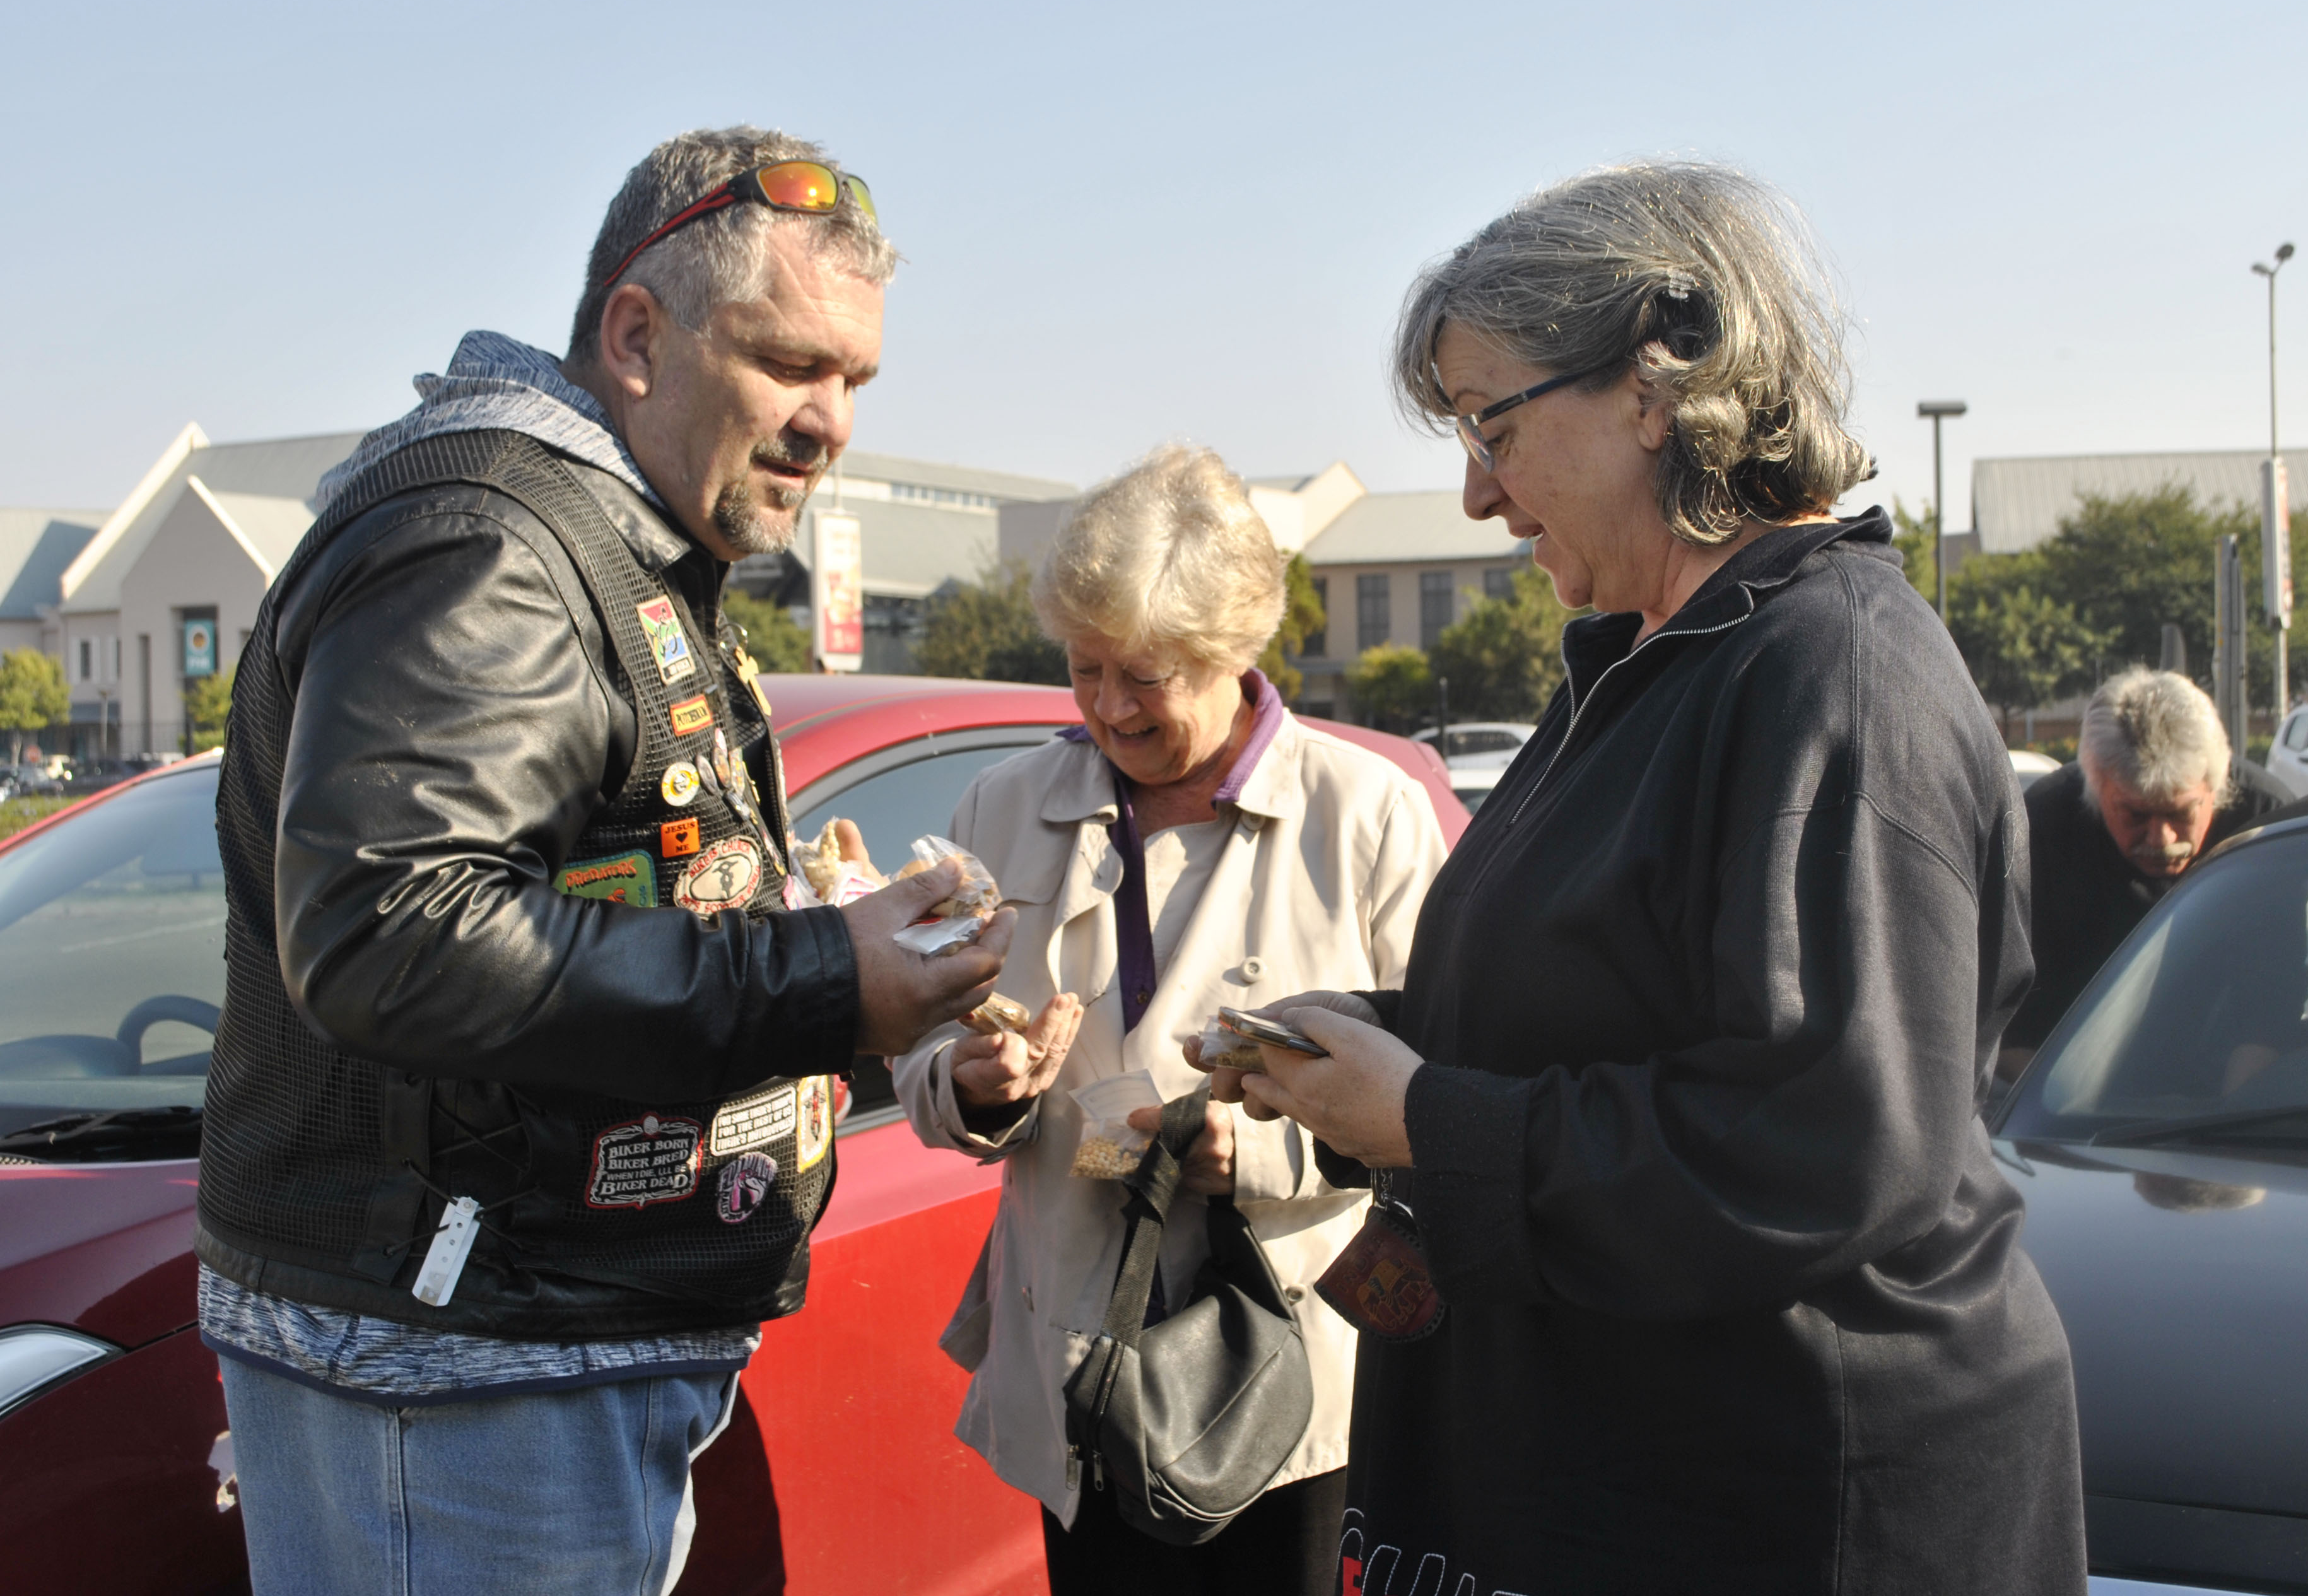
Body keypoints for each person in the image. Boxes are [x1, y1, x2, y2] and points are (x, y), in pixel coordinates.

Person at [1207, 161, 2087, 1595]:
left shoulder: (1832, 671)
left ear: (1655, 382)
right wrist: (1365, 1046)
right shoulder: (1644, 659)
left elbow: (1829, 1139)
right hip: (1620, 1460)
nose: (1479, 493)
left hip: (1790, 1498)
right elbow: (1619, 1007)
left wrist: (1428, 1111)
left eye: (1490, 424)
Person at [199, 127, 1011, 1595]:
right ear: (636, 334)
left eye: (854, 382)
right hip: (464, 1373)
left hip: (523, 1350)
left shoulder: (614, 541)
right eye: (789, 363)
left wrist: (838, 941)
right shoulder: (499, 537)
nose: (829, 422)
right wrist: (826, 974)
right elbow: (396, 928)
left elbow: (600, 883)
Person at [889, 445, 1447, 1596]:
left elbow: (1440, 1095)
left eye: (1141, 675)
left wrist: (1263, 1151)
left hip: (1285, 1383)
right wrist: (973, 1085)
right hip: (1076, 1369)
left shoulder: (1369, 817)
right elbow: (916, 1044)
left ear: (1234, 649)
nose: (1104, 707)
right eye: (1083, 668)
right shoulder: (1004, 805)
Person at [2008, 667, 2284, 1062]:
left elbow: (2281, 989)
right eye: (2135, 816)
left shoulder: (2268, 822)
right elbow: (2017, 1027)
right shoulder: (2045, 829)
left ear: (2216, 787)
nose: (2162, 840)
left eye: (2180, 813)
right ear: (2095, 789)